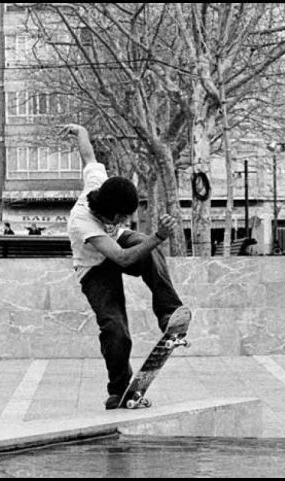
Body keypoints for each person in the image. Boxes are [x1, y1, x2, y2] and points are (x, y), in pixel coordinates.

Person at [62, 123, 191, 410]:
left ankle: (168, 312)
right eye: (118, 217)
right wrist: (159, 237)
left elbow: (88, 155)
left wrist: (81, 130)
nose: (121, 221)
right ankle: (118, 388)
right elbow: (121, 258)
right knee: (116, 330)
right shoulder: (82, 221)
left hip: (116, 245)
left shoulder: (100, 184)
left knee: (145, 246)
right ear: (105, 212)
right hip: (94, 270)